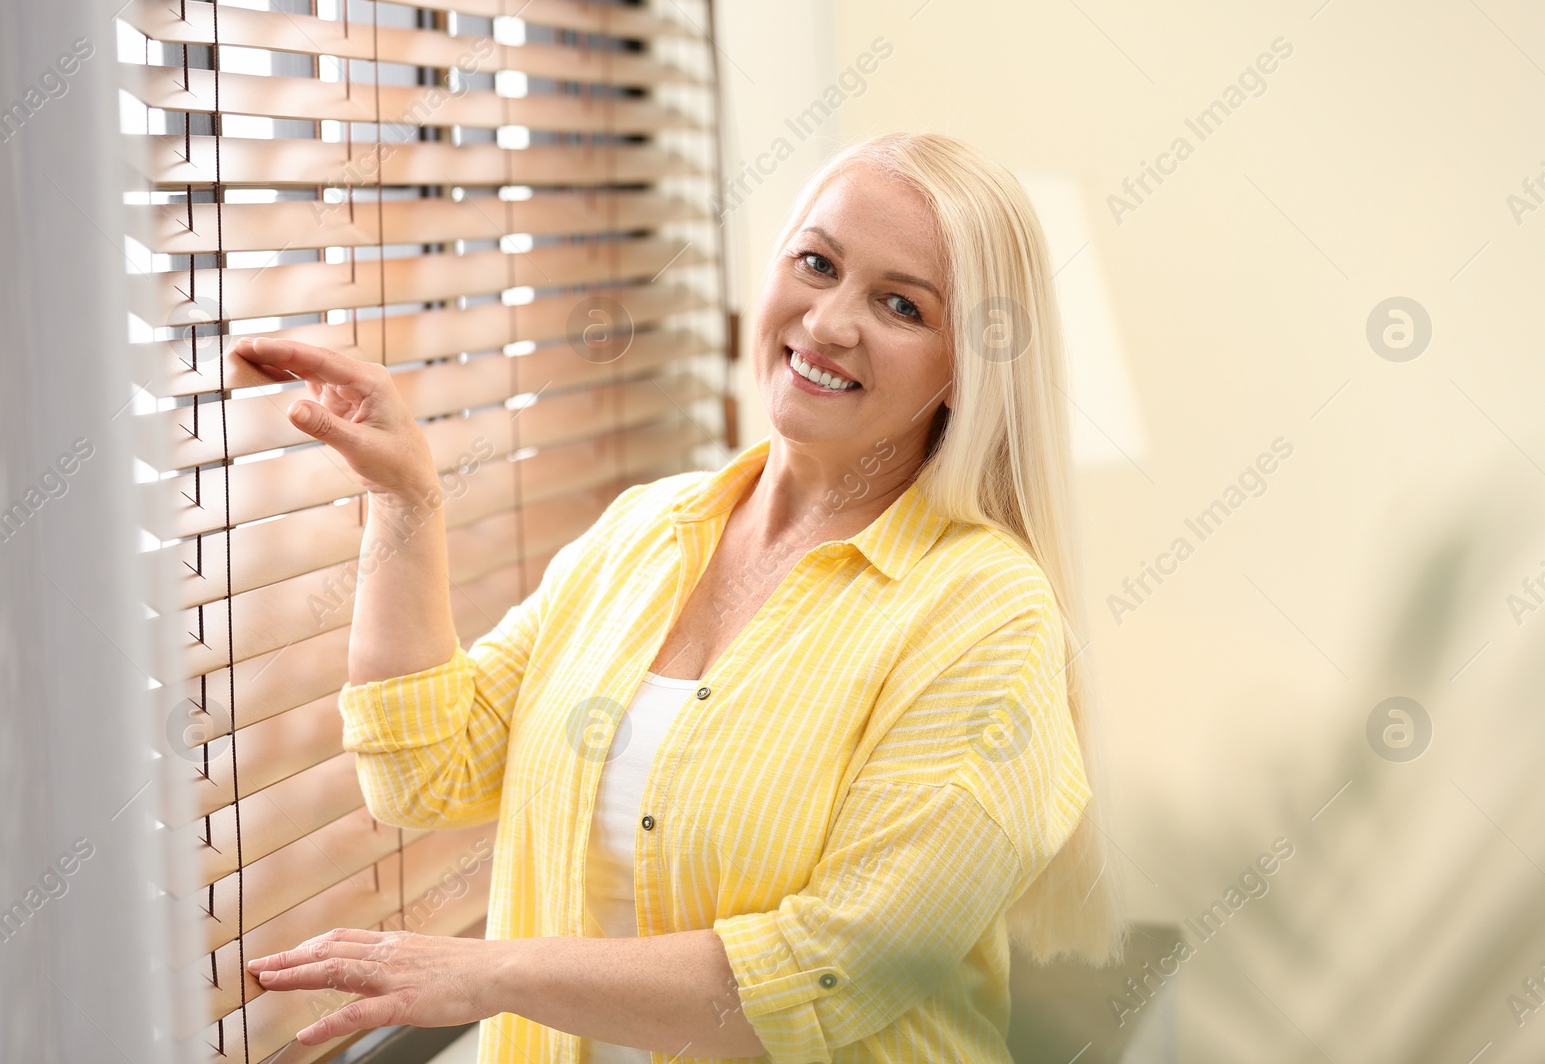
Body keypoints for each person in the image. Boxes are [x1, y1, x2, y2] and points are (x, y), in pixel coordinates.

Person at [236, 131, 1126, 1063]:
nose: (827, 323)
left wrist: (489, 973)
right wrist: (404, 499)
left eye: (900, 305)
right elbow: (427, 769)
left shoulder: (987, 617)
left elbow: (829, 972)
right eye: (816, 264)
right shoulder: (646, 530)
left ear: (964, 369)